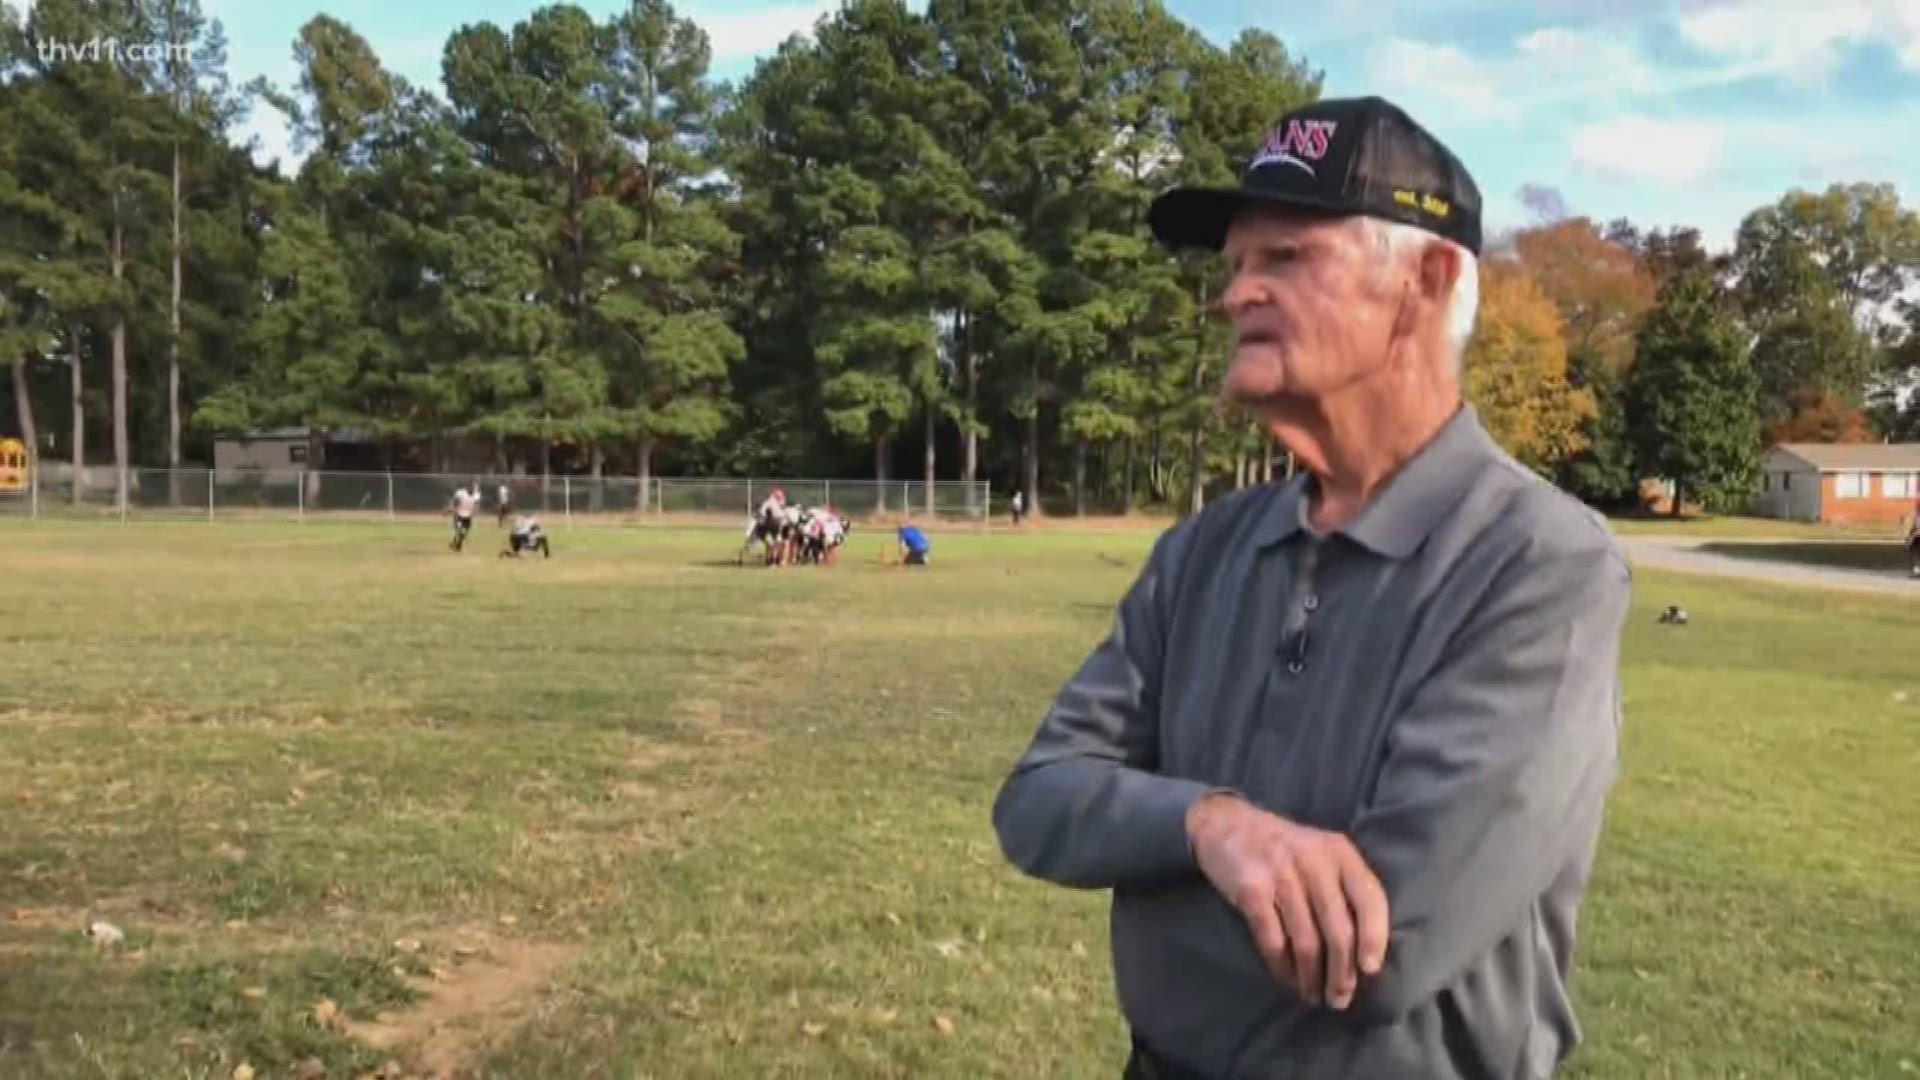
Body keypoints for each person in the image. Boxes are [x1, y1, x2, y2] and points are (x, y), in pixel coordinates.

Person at [991, 96, 1631, 1080]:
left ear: (1425, 282)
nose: (1232, 295)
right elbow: (1036, 800)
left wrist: (1137, 876)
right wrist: (1209, 828)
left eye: (1285, 259)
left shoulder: (1540, 563)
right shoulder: (1203, 549)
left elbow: (1387, 950)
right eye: (1235, 264)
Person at [448, 484, 480, 551]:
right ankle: (456, 544)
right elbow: (455, 501)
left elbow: (476, 503)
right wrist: (452, 509)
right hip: (459, 515)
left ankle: (457, 543)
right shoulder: (462, 494)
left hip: (468, 517)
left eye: (473, 488)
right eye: (470, 488)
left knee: (465, 532)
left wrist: (475, 511)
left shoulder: (475, 496)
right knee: (458, 530)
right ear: (467, 488)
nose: (471, 489)